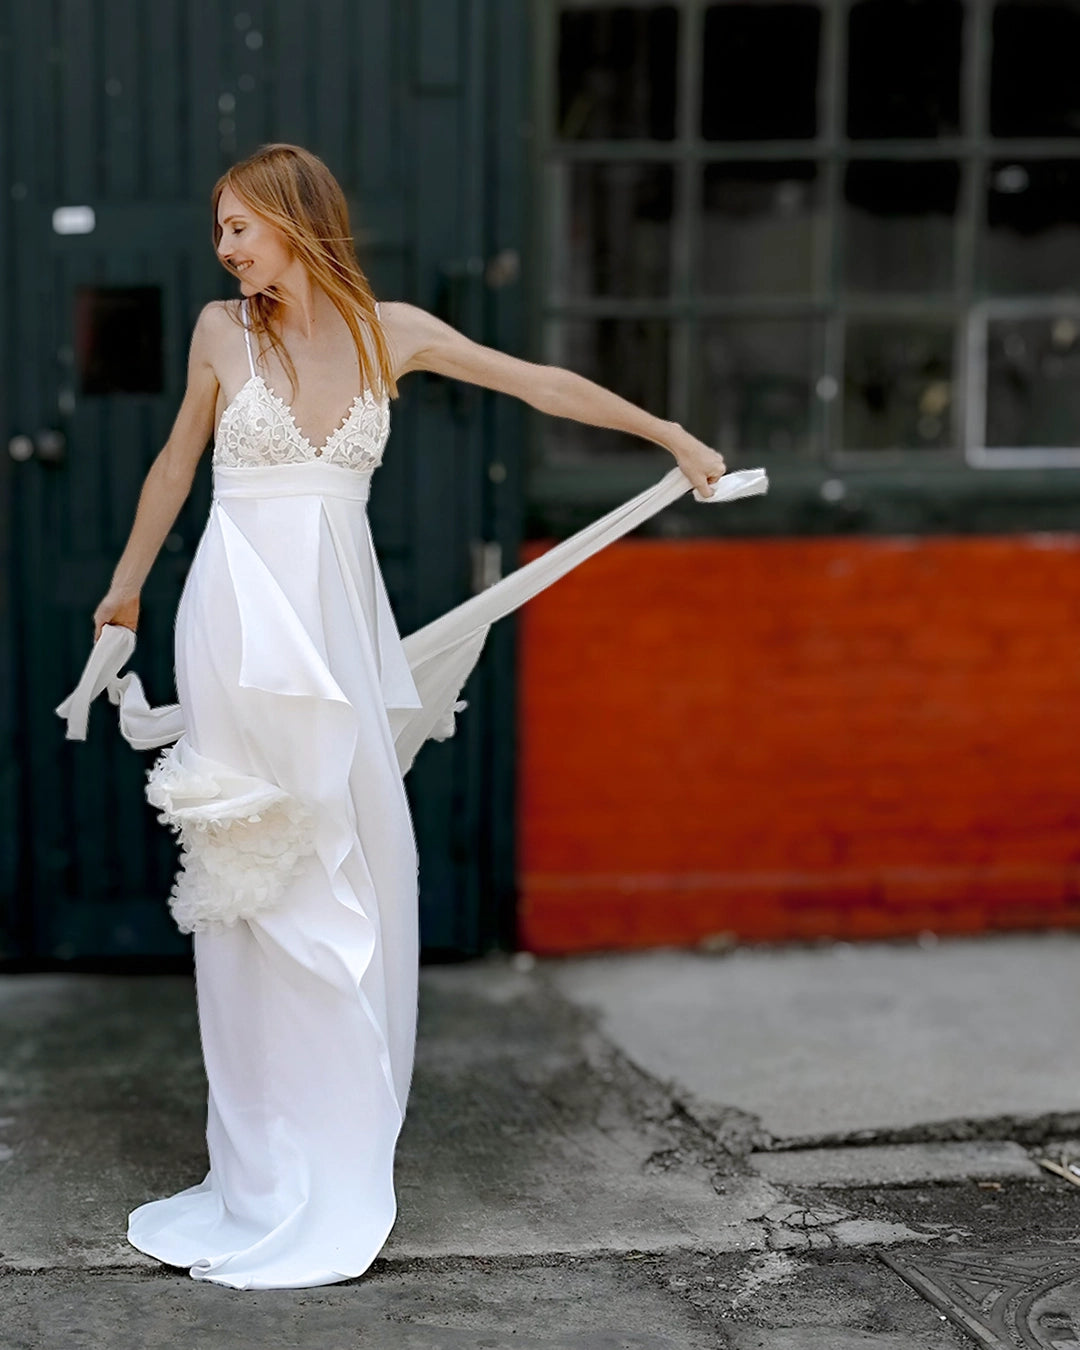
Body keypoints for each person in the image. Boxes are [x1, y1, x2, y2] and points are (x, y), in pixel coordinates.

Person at [87, 142, 728, 1290]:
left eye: (239, 226)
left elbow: (541, 384)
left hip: (340, 619)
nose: (224, 248)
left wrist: (670, 439)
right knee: (255, 869)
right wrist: (124, 595)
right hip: (237, 618)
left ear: (294, 221)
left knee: (358, 861)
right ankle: (260, 1161)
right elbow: (176, 468)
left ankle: (340, 1138)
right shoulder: (221, 334)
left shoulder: (398, 330)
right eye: (220, 229)